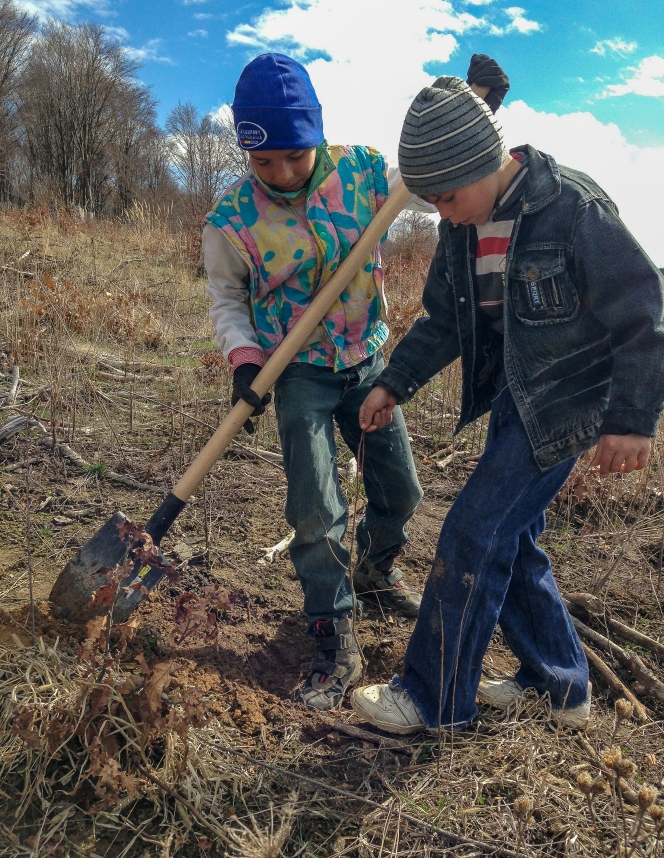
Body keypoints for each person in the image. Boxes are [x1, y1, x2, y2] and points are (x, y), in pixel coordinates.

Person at [350, 74, 664, 734]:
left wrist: (633, 420)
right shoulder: (462, 230)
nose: (444, 211)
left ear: (480, 164)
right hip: (517, 400)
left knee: (474, 531)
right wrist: (391, 383)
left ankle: (433, 699)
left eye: (448, 194)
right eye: (432, 199)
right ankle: (559, 683)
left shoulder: (573, 209)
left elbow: (644, 311)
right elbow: (440, 321)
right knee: (511, 538)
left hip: (568, 403)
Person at [203, 53, 509, 711]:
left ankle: (374, 566)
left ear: (315, 135)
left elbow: (429, 180)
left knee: (402, 489)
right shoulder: (232, 221)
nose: (282, 174)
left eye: (294, 155)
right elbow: (228, 300)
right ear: (246, 153)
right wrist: (245, 361)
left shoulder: (365, 173)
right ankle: (332, 630)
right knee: (316, 509)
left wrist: (476, 115)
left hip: (366, 360)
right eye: (264, 163)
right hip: (299, 373)